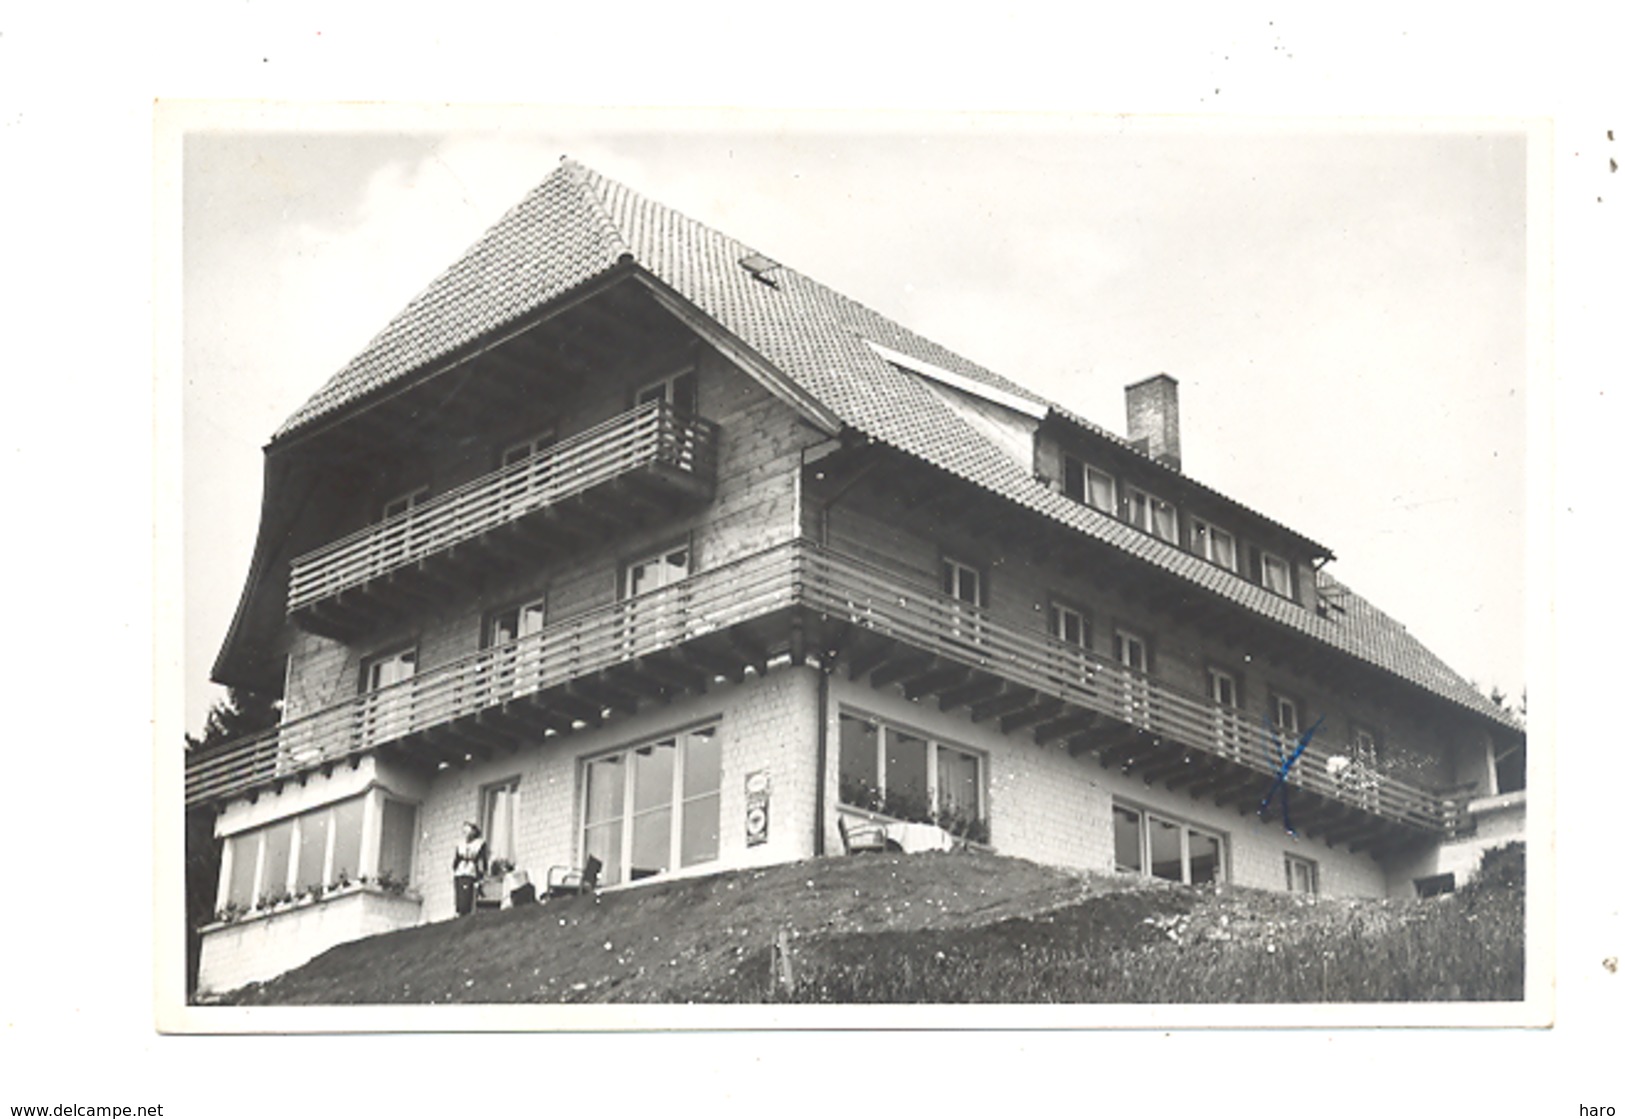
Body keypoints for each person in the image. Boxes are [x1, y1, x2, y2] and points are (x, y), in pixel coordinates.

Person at [452, 821, 489, 917]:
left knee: (467, 896)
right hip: (460, 872)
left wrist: (482, 873)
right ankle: (459, 912)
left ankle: (465, 913)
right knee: (459, 895)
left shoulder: (479, 844)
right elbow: (456, 860)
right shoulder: (460, 844)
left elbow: (482, 860)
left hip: (471, 872)